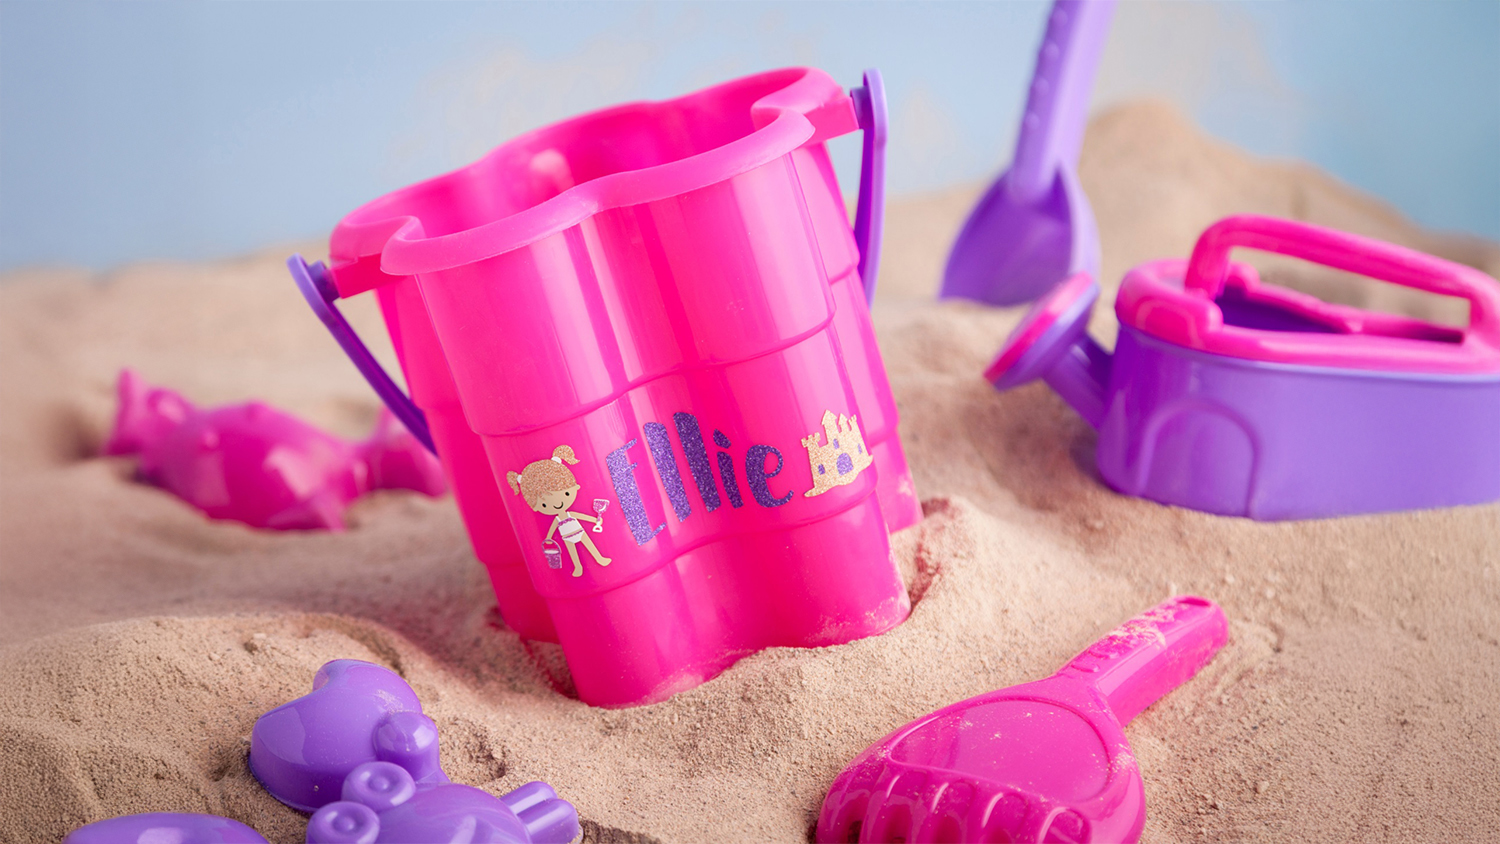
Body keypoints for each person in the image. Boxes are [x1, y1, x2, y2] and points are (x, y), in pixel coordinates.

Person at [506, 445, 611, 577]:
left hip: (576, 529)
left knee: (588, 544)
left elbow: (578, 515)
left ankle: (599, 558)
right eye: (544, 504)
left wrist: (594, 519)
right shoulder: (558, 519)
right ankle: (578, 566)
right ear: (536, 507)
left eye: (566, 494)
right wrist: (549, 537)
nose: (557, 504)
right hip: (566, 533)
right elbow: (553, 526)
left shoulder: (569, 514)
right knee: (572, 550)